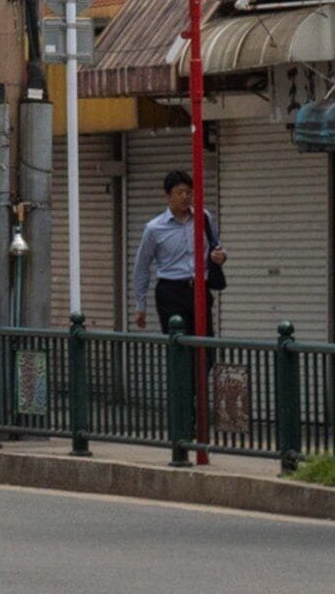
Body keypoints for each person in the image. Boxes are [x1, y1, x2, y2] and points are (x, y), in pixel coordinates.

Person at [130, 170, 220, 463]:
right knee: (180, 351)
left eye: (188, 192)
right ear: (167, 197)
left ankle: (193, 405)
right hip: (171, 291)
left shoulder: (204, 218)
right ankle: (183, 418)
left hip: (200, 289)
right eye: (179, 192)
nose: (185, 198)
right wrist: (140, 305)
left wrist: (220, 256)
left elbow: (215, 248)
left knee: (206, 353)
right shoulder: (154, 229)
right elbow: (142, 267)